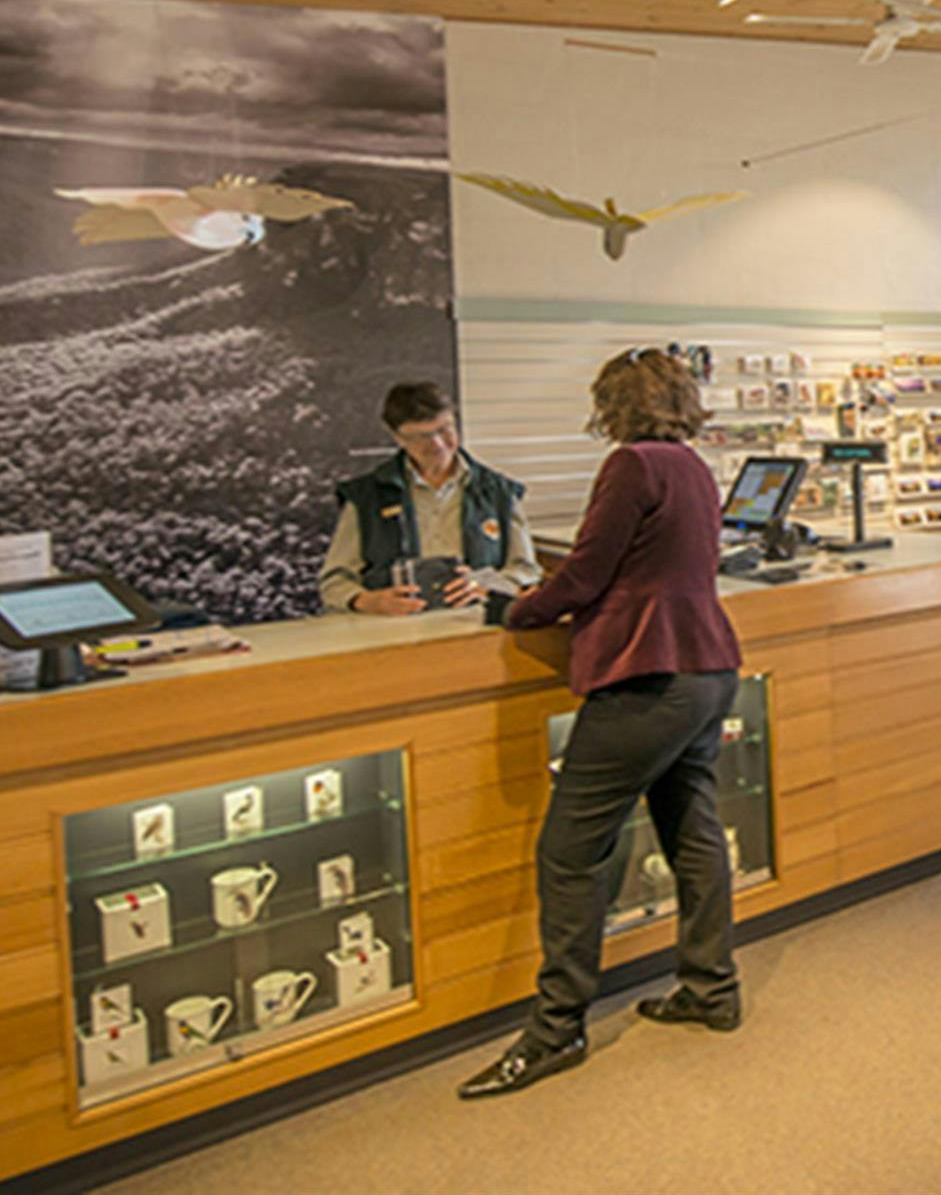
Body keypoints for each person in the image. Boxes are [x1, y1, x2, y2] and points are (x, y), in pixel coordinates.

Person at [458, 348, 744, 1101]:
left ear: (613, 402)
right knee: (694, 831)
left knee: (570, 850)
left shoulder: (631, 465)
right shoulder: (694, 465)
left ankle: (556, 1031)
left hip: (647, 677)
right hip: (708, 671)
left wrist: (511, 608)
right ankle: (711, 987)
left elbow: (586, 574)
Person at [319, 381, 540, 615]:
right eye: (422, 436)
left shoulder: (499, 492)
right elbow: (334, 581)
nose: (437, 444)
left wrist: (489, 586)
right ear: (397, 437)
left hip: (478, 627)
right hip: (390, 632)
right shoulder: (366, 497)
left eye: (444, 429)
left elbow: (524, 569)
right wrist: (366, 601)